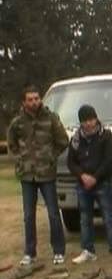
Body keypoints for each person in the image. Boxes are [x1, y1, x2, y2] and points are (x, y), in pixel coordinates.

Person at [7, 85, 68, 266]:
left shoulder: (51, 118)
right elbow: (11, 145)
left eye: (36, 98)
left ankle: (58, 251)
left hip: (46, 173)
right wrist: (19, 160)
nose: (34, 102)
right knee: (28, 215)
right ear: (24, 102)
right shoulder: (17, 122)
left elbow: (63, 141)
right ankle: (30, 252)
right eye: (30, 99)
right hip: (27, 175)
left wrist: (50, 157)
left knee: (53, 214)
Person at [67, 105, 112, 265]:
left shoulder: (106, 136)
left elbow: (110, 160)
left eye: (91, 119)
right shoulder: (76, 139)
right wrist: (82, 175)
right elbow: (71, 162)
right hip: (82, 185)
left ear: (96, 118)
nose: (88, 123)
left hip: (103, 183)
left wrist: (95, 177)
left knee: (109, 217)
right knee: (85, 218)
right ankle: (88, 250)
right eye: (85, 121)